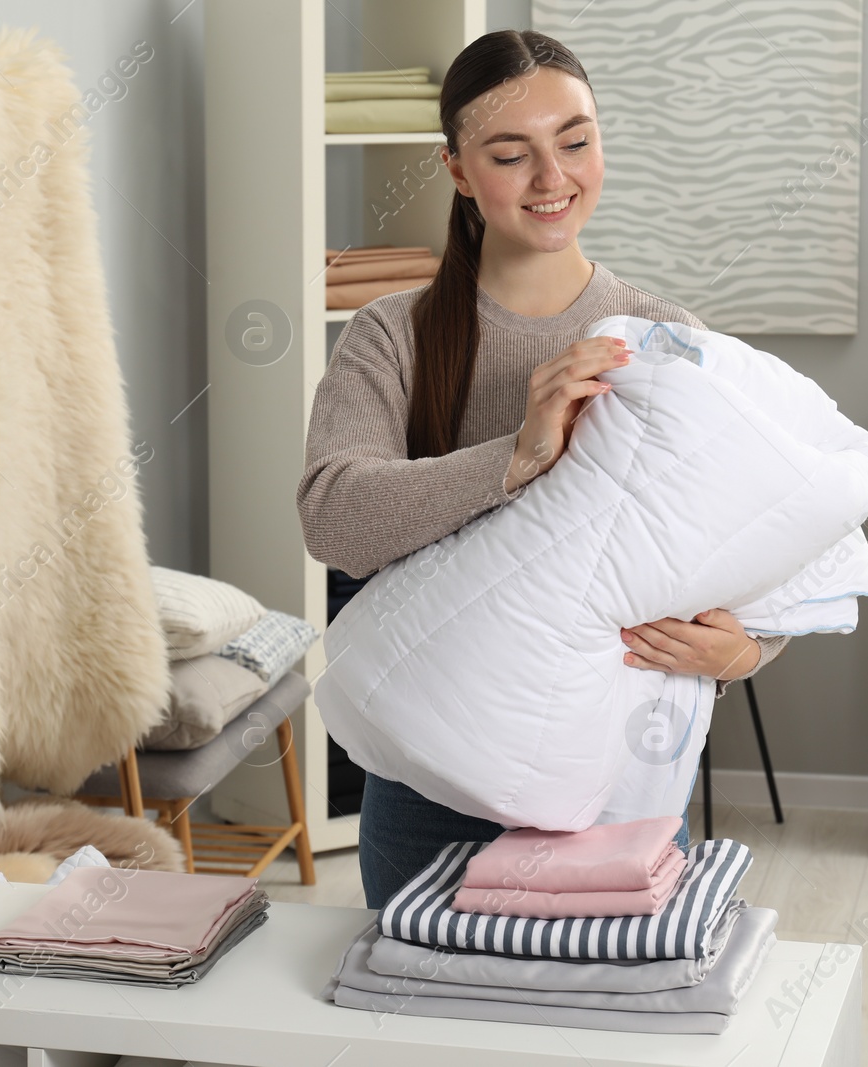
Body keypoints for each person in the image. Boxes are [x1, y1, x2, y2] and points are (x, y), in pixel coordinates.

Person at [296, 29, 789, 910]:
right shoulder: (391, 335)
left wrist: (747, 649)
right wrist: (517, 455)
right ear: (456, 169)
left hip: (618, 793)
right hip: (429, 791)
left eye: (575, 140)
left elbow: (768, 540)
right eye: (509, 153)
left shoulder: (669, 338)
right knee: (420, 1036)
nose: (552, 177)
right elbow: (335, 519)